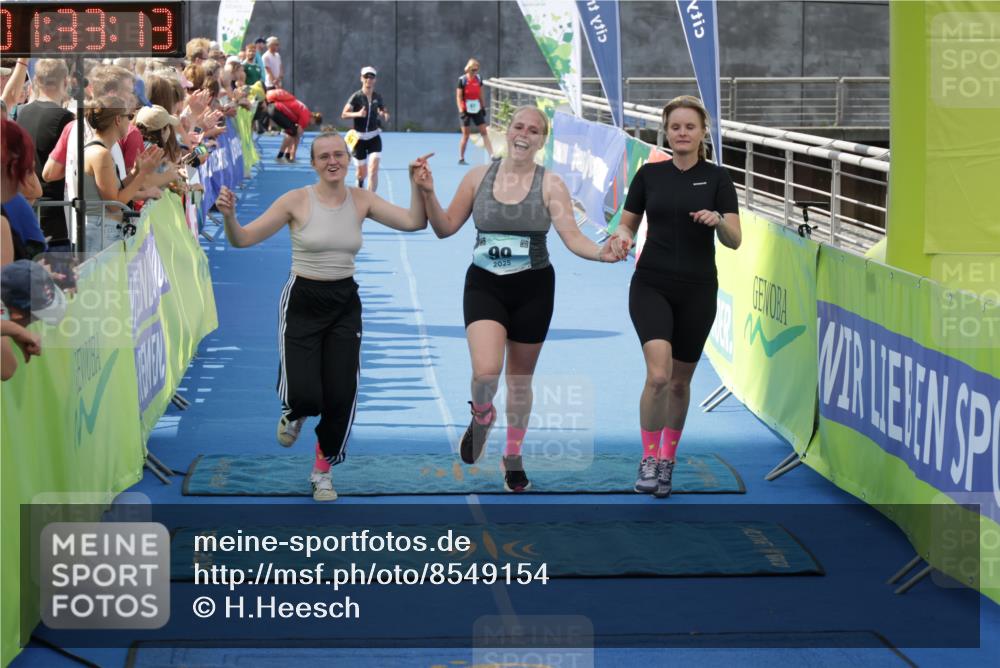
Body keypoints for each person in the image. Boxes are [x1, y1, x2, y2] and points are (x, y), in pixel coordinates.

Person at [413, 106, 627, 492]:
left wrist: (603, 253)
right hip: (485, 285)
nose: (523, 133)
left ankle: (512, 455)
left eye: (533, 129)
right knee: (486, 372)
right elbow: (444, 228)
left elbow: (574, 238)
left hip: (533, 288)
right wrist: (427, 193)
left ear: (542, 140)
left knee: (519, 381)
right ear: (506, 131)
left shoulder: (551, 185)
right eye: (518, 126)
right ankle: (482, 415)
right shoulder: (478, 176)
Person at [214, 132, 431, 502]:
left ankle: (322, 471)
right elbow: (244, 239)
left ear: (348, 160)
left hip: (344, 301)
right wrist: (231, 217)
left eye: (339, 155)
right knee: (306, 394)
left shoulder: (361, 200)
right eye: (324, 156)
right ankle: (294, 412)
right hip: (302, 299)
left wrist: (417, 185)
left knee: (341, 393)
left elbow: (414, 222)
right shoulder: (296, 201)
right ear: (313, 163)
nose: (333, 161)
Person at [612, 95, 741, 499]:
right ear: (665, 132)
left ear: (703, 132)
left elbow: (735, 239)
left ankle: (668, 459)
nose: (681, 133)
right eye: (674, 127)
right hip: (651, 283)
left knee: (681, 384)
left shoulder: (719, 179)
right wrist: (621, 239)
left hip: (699, 289)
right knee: (659, 377)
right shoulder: (649, 176)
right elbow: (627, 225)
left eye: (689, 127)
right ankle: (648, 457)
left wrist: (718, 220)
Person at [81, 96, 164, 250]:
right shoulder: (101, 154)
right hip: (102, 232)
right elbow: (114, 204)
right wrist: (142, 174)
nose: (131, 123)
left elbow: (114, 190)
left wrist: (135, 172)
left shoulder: (101, 150)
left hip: (103, 229)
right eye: (130, 117)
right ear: (118, 120)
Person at [341, 66, 389, 192]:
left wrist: (384, 113)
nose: (369, 79)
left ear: (375, 80)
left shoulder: (377, 97)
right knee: (362, 174)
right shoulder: (356, 97)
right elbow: (344, 114)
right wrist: (357, 114)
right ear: (361, 78)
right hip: (359, 139)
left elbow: (382, 108)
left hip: (374, 137)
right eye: (366, 76)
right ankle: (360, 183)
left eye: (371, 77)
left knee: (373, 170)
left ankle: (370, 200)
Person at [265, 87, 322, 163]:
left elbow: (296, 134)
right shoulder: (306, 117)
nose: (311, 124)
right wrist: (294, 154)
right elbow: (297, 137)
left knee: (292, 131)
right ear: (314, 119)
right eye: (314, 123)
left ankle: (286, 155)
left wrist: (291, 153)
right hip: (275, 110)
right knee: (292, 132)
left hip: (273, 108)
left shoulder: (306, 112)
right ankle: (280, 156)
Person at [456, 58, 493, 164]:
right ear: (468, 69)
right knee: (466, 135)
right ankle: (461, 157)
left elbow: (481, 94)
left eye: (476, 70)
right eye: (473, 70)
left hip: (476, 108)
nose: (475, 72)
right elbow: (458, 96)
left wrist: (483, 107)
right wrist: (461, 110)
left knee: (484, 132)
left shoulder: (479, 78)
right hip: (465, 109)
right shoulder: (462, 80)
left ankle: (492, 155)